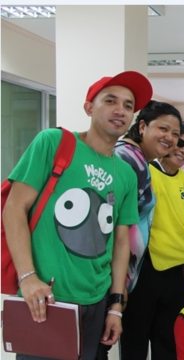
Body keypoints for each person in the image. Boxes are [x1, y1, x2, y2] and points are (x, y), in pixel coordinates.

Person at [3, 71, 152, 359]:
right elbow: (14, 208)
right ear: (89, 107)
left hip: (97, 301)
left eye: (128, 105)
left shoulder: (125, 173)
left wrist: (116, 307)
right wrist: (28, 277)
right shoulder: (52, 143)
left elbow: (122, 242)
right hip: (47, 299)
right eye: (110, 101)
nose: (120, 110)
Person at [121, 124, 184, 359]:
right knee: (135, 337)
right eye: (180, 142)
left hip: (175, 270)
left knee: (168, 340)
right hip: (144, 267)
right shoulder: (145, 171)